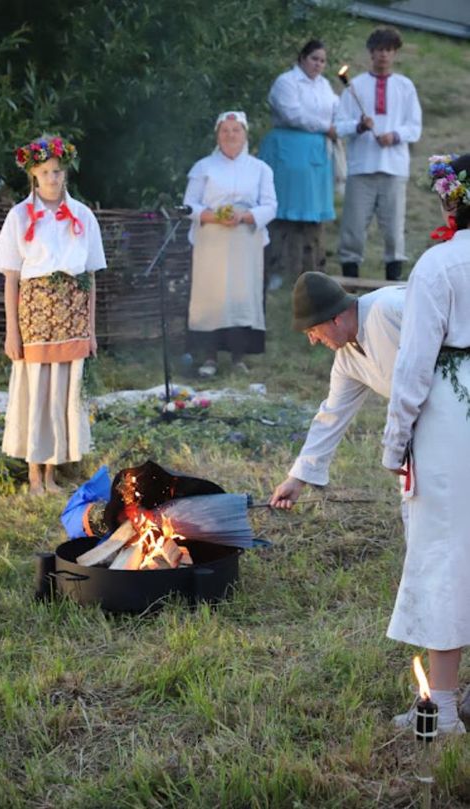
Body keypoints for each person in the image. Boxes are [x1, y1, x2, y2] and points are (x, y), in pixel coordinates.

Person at [381, 153, 470, 735]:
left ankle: (442, 708)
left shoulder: (439, 265)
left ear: (451, 201)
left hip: (451, 419)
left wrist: (395, 444)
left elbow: (413, 366)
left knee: (446, 550)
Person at [0, 135, 106, 494]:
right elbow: (11, 278)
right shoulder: (19, 216)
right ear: (33, 175)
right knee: (36, 392)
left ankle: (52, 470)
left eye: (57, 171)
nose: (52, 179)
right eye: (45, 173)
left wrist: (91, 330)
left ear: (65, 172)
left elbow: (90, 276)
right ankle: (34, 473)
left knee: (62, 393)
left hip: (72, 315)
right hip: (35, 317)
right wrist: (12, 331)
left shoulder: (82, 215)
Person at [270, 271, 405, 510]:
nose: (312, 340)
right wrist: (297, 478)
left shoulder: (389, 309)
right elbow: (332, 415)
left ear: (336, 318)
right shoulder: (347, 358)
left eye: (312, 330)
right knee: (417, 503)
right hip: (423, 425)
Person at [183, 111, 277, 377]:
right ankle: (209, 357)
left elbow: (270, 206)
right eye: (225, 130)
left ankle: (238, 357)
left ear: (245, 134)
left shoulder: (260, 169)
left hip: (245, 239)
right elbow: (189, 205)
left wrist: (244, 216)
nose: (230, 135)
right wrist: (215, 217)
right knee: (211, 296)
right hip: (211, 240)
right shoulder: (203, 167)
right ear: (217, 135)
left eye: (236, 130)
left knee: (242, 296)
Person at [335, 27, 422, 280]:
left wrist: (394, 136)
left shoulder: (405, 86)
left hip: (393, 169)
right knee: (353, 229)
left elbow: (414, 127)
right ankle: (350, 282)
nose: (383, 55)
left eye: (388, 50)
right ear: (371, 53)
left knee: (394, 230)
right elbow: (339, 125)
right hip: (361, 168)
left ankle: (393, 284)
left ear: (394, 54)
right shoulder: (355, 86)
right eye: (379, 50)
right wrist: (359, 126)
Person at [259, 39, 339, 286]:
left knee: (311, 218)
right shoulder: (286, 82)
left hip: (316, 154)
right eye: (314, 59)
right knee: (283, 213)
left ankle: (310, 269)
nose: (318, 64)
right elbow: (293, 114)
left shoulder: (324, 85)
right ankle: (275, 269)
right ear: (302, 58)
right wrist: (325, 126)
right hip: (288, 150)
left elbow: (336, 112)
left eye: (322, 61)